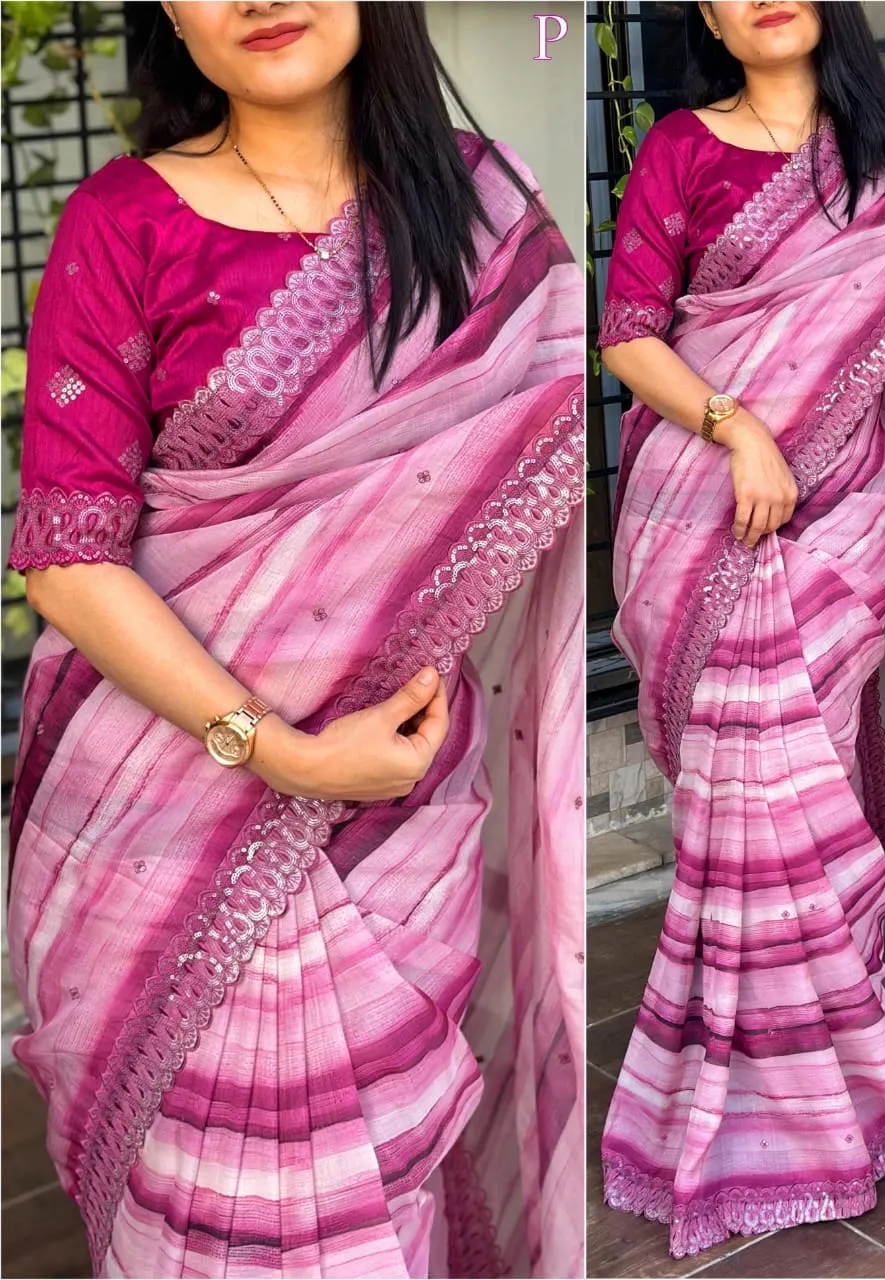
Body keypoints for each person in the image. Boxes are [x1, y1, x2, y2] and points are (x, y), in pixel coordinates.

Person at [5, 3, 585, 1276]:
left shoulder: (485, 213)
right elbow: (68, 557)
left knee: (377, 1170)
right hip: (162, 818)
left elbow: (537, 463)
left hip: (400, 810)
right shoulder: (124, 222)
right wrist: (281, 752)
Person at [596, 0, 885, 1261]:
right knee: (751, 801)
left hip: (844, 516)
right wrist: (741, 429)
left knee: (816, 788)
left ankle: (839, 1078)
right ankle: (781, 1111)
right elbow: (628, 334)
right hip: (708, 511)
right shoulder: (682, 149)